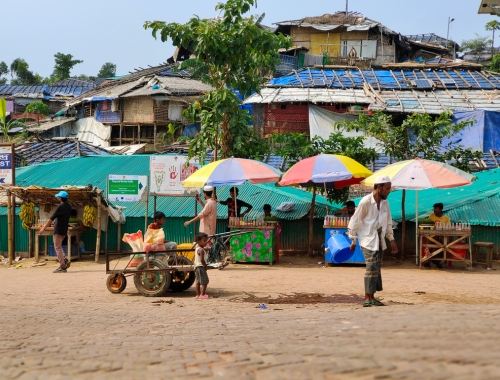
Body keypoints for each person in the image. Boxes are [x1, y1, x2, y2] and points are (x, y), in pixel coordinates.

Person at [347, 176, 398, 307]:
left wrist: (391, 239)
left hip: (380, 239)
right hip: (367, 239)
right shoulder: (365, 202)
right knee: (371, 268)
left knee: (377, 268)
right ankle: (366, 298)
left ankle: (372, 297)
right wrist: (353, 240)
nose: (389, 191)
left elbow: (388, 221)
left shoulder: (385, 203)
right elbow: (354, 222)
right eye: (387, 188)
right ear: (379, 187)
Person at [39, 191, 72, 273]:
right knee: (59, 247)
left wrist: (43, 229)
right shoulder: (69, 206)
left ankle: (62, 266)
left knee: (57, 247)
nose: (57, 198)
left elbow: (52, 218)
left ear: (60, 198)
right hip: (64, 229)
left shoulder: (60, 206)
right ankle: (65, 260)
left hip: (58, 229)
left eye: (58, 197)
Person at [425, 203, 450, 269]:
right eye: (434, 208)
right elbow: (427, 226)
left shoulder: (446, 218)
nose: (434, 210)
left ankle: (429, 256)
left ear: (440, 209)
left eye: (436, 208)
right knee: (439, 243)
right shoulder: (431, 216)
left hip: (442, 238)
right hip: (431, 238)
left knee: (439, 239)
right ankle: (436, 262)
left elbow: (449, 228)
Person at [193, 232, 210, 299]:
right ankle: (202, 295)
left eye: (206, 240)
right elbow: (202, 260)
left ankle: (198, 295)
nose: (206, 242)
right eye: (204, 241)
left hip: (196, 267)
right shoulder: (201, 250)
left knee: (198, 282)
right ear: (198, 241)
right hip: (201, 267)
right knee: (205, 281)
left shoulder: (197, 249)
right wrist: (206, 266)